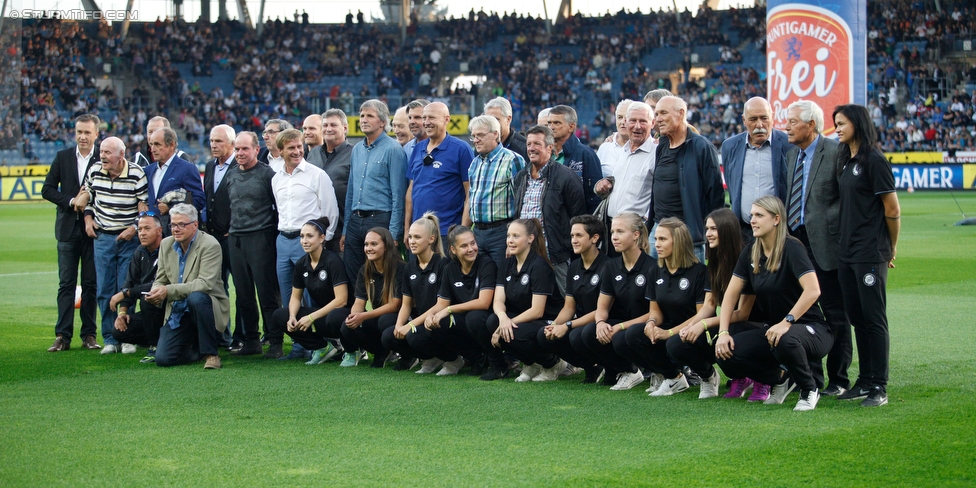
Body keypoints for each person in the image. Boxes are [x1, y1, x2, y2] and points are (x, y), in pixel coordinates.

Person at [715, 196, 833, 411]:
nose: (752, 220)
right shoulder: (751, 251)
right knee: (726, 353)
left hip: (812, 329)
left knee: (786, 339)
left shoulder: (792, 248)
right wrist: (723, 333)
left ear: (776, 219)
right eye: (751, 215)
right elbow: (731, 294)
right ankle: (781, 379)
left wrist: (787, 321)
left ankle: (809, 389)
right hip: (774, 332)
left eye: (759, 215)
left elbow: (813, 290)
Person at [834, 104, 900, 407]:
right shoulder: (847, 159)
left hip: (869, 252)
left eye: (841, 123)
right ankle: (864, 380)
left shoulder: (874, 160)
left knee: (874, 319)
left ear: (857, 124)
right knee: (858, 318)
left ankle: (879, 386)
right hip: (847, 252)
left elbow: (892, 209)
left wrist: (891, 246)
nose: (837, 129)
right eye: (835, 124)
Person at [783, 100, 851, 397]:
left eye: (793, 122)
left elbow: (846, 199)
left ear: (811, 125)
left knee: (836, 313)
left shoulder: (836, 152)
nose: (786, 127)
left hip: (827, 246)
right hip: (796, 245)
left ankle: (839, 379)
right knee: (805, 313)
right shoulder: (790, 156)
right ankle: (811, 377)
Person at [666, 208, 769, 401]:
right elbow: (709, 304)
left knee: (733, 332)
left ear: (727, 229)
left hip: (758, 324)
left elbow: (743, 313)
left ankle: (763, 379)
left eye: (713, 229)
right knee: (677, 343)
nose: (708, 234)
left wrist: (705, 325)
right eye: (706, 229)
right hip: (730, 323)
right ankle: (713, 377)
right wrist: (691, 325)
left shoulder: (747, 256)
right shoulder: (715, 258)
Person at [619, 217, 708, 396]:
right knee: (630, 335)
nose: (656, 244)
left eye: (662, 239)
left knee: (675, 344)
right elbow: (655, 311)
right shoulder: (655, 271)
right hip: (667, 330)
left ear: (679, 241)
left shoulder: (699, 271)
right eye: (656, 238)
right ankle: (673, 377)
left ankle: (707, 375)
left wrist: (669, 333)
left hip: (693, 332)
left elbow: (702, 314)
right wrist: (651, 323)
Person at [473, 219, 566, 382]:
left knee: (512, 331)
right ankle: (531, 364)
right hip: (523, 319)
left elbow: (537, 310)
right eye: (508, 236)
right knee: (492, 321)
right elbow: (498, 300)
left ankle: (553, 364)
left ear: (530, 238)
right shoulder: (506, 263)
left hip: (546, 320)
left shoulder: (539, 266)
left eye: (516, 236)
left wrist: (508, 323)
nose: (510, 240)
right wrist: (503, 319)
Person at [82, 136, 149, 354]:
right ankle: (110, 337)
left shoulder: (136, 173)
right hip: (102, 238)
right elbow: (88, 198)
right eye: (101, 152)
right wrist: (88, 218)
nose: (102, 156)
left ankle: (126, 336)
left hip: (129, 239)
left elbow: (144, 207)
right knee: (104, 289)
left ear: (121, 155)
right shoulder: (94, 171)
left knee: (126, 289)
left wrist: (135, 228)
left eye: (107, 153)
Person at [145, 204, 231, 369]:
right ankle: (195, 348)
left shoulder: (210, 245)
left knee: (197, 298)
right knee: (163, 359)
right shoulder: (166, 244)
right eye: (173, 225)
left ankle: (212, 355)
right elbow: (161, 277)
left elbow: (205, 284)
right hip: (178, 310)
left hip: (206, 307)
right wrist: (156, 291)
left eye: (181, 225)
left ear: (195, 225)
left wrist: (168, 291)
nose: (176, 229)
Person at [42, 113, 100, 351]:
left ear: (96, 134)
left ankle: (89, 335)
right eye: (79, 132)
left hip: (93, 230)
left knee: (90, 284)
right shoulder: (63, 157)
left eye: (87, 132)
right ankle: (62, 336)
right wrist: (70, 201)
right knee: (66, 284)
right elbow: (47, 189)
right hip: (67, 230)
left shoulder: (102, 157)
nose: (82, 137)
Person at [272, 128, 340, 332]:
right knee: (288, 295)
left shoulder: (317, 175)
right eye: (291, 148)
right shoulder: (276, 179)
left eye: (299, 147)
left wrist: (322, 241)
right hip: (283, 240)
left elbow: (330, 212)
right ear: (281, 150)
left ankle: (319, 341)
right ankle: (299, 345)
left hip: (309, 243)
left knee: (313, 295)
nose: (296, 151)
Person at [578, 212, 654, 391]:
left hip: (645, 325)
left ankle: (643, 369)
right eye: (613, 232)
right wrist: (600, 323)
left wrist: (620, 327)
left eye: (620, 231)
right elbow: (602, 306)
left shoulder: (651, 267)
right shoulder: (611, 266)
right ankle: (624, 370)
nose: (614, 237)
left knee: (622, 336)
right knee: (587, 333)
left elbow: (654, 313)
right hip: (621, 325)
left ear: (636, 235)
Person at [513, 125, 586, 296]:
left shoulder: (566, 177)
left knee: (568, 299)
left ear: (550, 147)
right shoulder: (521, 177)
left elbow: (578, 217)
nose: (531, 148)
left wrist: (568, 246)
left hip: (555, 253)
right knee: (529, 299)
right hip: (526, 253)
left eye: (537, 144)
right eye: (529, 144)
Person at [227, 131, 282, 356]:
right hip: (236, 238)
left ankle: (276, 341)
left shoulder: (267, 175)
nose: (240, 153)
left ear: (256, 150)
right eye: (237, 149)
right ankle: (251, 341)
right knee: (243, 293)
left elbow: (278, 208)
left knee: (267, 293)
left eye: (245, 149)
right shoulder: (231, 175)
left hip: (261, 237)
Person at [342, 100, 407, 288]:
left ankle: (383, 317)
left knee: (383, 280)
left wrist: (393, 233)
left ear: (383, 122)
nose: (364, 120)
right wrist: (347, 228)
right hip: (355, 220)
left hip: (380, 220)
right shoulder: (357, 150)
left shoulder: (393, 149)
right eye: (362, 115)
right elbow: (351, 192)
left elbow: (398, 195)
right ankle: (355, 316)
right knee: (352, 279)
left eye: (369, 116)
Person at [650, 96, 724, 261]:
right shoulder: (662, 145)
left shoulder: (702, 147)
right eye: (656, 114)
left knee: (687, 285)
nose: (657, 119)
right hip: (658, 230)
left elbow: (715, 196)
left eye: (663, 113)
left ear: (680, 113)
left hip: (687, 234)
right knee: (657, 284)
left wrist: (706, 232)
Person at [268, 217, 349, 365]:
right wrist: (292, 316)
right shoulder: (301, 264)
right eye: (302, 236)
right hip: (321, 316)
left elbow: (341, 300)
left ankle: (354, 350)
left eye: (309, 236)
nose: (304, 240)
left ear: (322, 238)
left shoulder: (333, 261)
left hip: (343, 316)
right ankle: (322, 348)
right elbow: (295, 297)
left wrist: (311, 317)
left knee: (334, 317)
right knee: (280, 315)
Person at [540, 214, 608, 384]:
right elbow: (569, 308)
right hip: (580, 324)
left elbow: (602, 311)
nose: (574, 240)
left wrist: (567, 326)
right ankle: (592, 367)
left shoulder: (608, 266)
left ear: (594, 238)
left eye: (579, 235)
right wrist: (555, 325)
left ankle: (611, 365)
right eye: (572, 236)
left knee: (577, 335)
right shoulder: (574, 267)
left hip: (603, 321)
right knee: (544, 335)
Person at [420, 225, 497, 376]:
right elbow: (441, 303)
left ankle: (496, 361)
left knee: (473, 317)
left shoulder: (486, 264)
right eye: (464, 246)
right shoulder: (450, 269)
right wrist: (431, 316)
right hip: (465, 321)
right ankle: (475, 358)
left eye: (473, 243)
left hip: (485, 320)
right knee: (435, 325)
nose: (471, 249)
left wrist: (448, 310)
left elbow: (484, 302)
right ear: (453, 250)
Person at [325, 228, 405, 366]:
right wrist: (354, 317)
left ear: (386, 246)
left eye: (374, 244)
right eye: (366, 244)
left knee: (384, 321)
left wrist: (363, 317)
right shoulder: (365, 269)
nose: (368, 248)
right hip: (376, 317)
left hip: (397, 318)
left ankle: (398, 351)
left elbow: (395, 305)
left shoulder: (400, 268)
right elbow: (359, 302)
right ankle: (378, 351)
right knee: (338, 320)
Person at [381, 213, 449, 371]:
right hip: (419, 320)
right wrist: (399, 326)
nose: (412, 241)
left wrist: (409, 325)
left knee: (414, 335)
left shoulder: (443, 265)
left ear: (431, 239)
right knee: (388, 336)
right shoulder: (409, 267)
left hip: (439, 320)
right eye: (410, 237)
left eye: (417, 237)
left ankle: (451, 359)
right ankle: (430, 359)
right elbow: (406, 304)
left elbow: (441, 305)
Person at [720, 97, 792, 242]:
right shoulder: (729, 146)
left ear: (772, 116)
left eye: (764, 118)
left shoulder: (789, 144)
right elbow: (732, 184)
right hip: (744, 232)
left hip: (780, 233)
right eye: (753, 119)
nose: (759, 124)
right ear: (744, 120)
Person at [405, 102, 474, 240]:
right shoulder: (418, 149)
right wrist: (407, 228)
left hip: (447, 232)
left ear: (446, 119)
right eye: (424, 118)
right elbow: (411, 190)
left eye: (432, 118)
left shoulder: (461, 149)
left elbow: (470, 193)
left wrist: (462, 232)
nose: (426, 122)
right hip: (419, 231)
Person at [467, 115, 525, 267]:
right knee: (482, 281)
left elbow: (521, 203)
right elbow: (471, 198)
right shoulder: (475, 163)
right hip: (478, 232)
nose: (476, 140)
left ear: (495, 134)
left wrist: (513, 238)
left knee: (502, 281)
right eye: (473, 136)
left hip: (501, 232)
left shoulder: (513, 160)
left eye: (480, 135)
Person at [109, 213, 166, 363]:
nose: (142, 233)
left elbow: (158, 284)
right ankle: (160, 340)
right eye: (140, 229)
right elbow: (130, 282)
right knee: (119, 332)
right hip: (151, 314)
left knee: (147, 297)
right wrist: (122, 312)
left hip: (168, 308)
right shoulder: (139, 251)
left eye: (147, 228)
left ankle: (155, 346)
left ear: (159, 231)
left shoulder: (169, 249)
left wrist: (125, 293)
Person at [594, 102, 658, 227]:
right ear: (625, 122)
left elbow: (660, 193)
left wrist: (644, 221)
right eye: (633, 120)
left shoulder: (657, 152)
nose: (637, 126)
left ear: (653, 123)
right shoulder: (622, 150)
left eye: (643, 121)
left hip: (636, 229)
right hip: (612, 227)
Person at [203, 124, 237, 346]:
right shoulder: (210, 166)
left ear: (232, 144)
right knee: (216, 288)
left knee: (242, 289)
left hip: (234, 238)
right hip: (213, 238)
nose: (214, 145)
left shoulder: (239, 165)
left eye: (219, 141)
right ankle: (222, 336)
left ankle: (243, 337)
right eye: (212, 141)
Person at [145, 127, 206, 231]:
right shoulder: (148, 170)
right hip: (153, 236)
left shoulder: (187, 168)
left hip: (176, 234)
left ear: (171, 145)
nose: (153, 149)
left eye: (157, 144)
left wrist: (171, 208)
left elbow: (199, 201)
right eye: (151, 144)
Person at [547, 105, 602, 213]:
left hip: (576, 223)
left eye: (557, 123)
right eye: (549, 123)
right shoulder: (545, 154)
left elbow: (595, 197)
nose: (551, 127)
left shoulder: (586, 155)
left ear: (571, 127)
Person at [313, 109, 353, 251]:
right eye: (325, 125)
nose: (328, 129)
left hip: (341, 230)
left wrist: (347, 230)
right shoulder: (313, 153)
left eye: (333, 125)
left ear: (345, 128)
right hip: (314, 231)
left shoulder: (354, 154)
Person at [596, 99, 634, 176]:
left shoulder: (649, 148)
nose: (623, 122)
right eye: (620, 117)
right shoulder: (605, 148)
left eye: (627, 118)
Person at [484, 97, 528, 161]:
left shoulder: (524, 147)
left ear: (508, 120)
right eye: (488, 120)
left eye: (496, 120)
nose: (491, 125)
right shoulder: (482, 147)